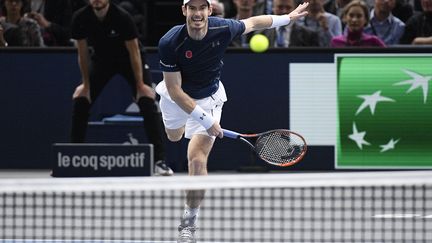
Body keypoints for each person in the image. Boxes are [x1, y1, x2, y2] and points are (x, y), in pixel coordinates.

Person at [156, 0, 308, 242]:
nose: (197, 13)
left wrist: (287, 18)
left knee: (196, 160)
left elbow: (255, 22)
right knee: (173, 136)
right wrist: (204, 120)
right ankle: (186, 127)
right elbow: (174, 90)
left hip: (209, 99)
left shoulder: (223, 28)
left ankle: (188, 222)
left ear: (209, 10)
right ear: (184, 11)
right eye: (191, 8)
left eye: (201, 8)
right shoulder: (169, 42)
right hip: (176, 98)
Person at [70, 0, 174, 176]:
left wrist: (140, 85)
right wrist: (86, 86)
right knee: (81, 100)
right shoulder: (80, 17)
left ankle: (159, 161)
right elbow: (82, 53)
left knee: (147, 102)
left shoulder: (122, 17)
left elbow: (134, 51)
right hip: (102, 61)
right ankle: (72, 160)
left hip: (129, 61)